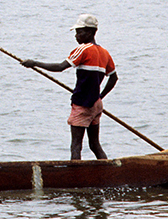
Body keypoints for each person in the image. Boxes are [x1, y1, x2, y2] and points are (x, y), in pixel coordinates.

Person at [21, 13, 118, 160]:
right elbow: (113, 78)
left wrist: (34, 63)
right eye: (76, 32)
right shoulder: (105, 53)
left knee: (76, 146)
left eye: (80, 32)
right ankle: (108, 172)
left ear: (91, 32)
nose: (76, 36)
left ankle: (76, 179)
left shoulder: (83, 49)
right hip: (96, 105)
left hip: (82, 104)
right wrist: (99, 96)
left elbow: (60, 67)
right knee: (94, 144)